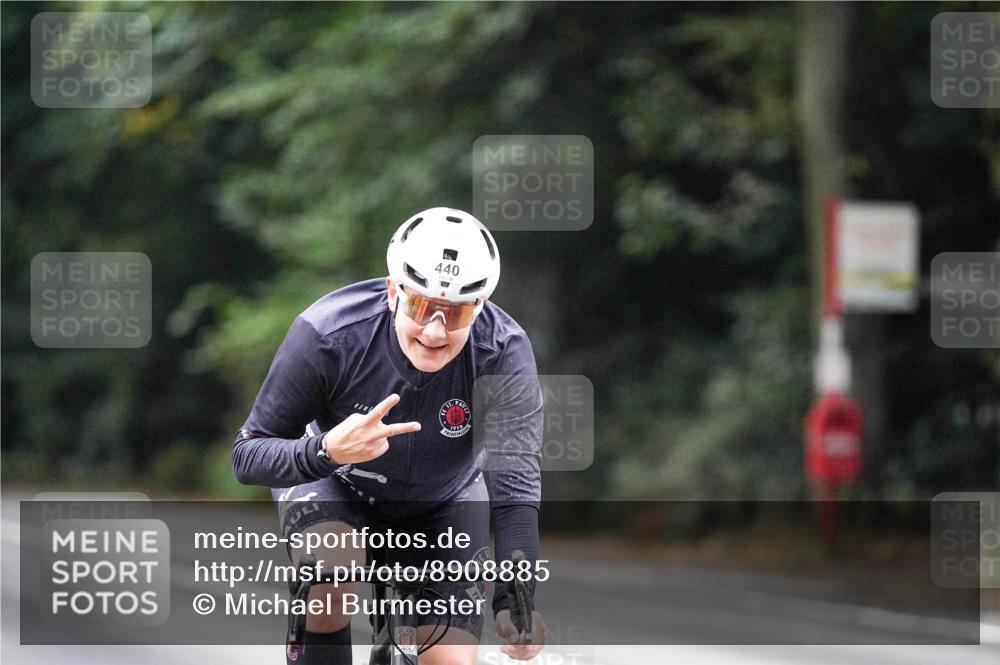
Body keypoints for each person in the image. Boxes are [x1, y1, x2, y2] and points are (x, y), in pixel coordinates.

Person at [233, 207, 545, 665]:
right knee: (330, 575)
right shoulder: (327, 334)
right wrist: (324, 450)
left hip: (446, 498)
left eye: (456, 313)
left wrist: (515, 601)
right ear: (392, 289)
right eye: (421, 306)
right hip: (335, 484)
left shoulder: (503, 354)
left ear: (479, 307)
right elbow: (247, 454)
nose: (435, 330)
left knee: (450, 660)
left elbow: (516, 487)